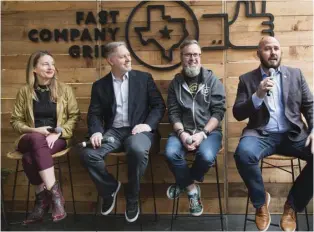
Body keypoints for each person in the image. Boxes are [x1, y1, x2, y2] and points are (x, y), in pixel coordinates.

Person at [233, 36, 313, 231]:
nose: (273, 52)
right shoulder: (247, 79)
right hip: (261, 134)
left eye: (276, 48)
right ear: (258, 53)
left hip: (292, 134)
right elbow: (237, 113)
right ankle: (260, 203)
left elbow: (310, 106)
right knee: (243, 154)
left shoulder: (295, 75)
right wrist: (257, 95)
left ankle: (292, 207)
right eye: (267, 49)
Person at [79, 41, 165, 223]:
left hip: (138, 131)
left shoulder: (144, 78)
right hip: (113, 133)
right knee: (88, 154)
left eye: (128, 55)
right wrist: (96, 132)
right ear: (111, 60)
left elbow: (158, 105)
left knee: (137, 149)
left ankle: (132, 196)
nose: (128, 59)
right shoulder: (100, 86)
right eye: (122, 56)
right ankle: (109, 188)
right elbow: (94, 113)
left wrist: (147, 125)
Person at [10, 51, 81, 225]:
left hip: (56, 138)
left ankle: (41, 202)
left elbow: (74, 116)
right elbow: (15, 120)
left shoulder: (65, 90)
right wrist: (34, 130)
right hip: (30, 137)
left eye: (52, 63)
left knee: (29, 158)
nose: (51, 67)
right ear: (34, 69)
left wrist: (59, 132)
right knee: (35, 139)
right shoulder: (25, 92)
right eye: (45, 64)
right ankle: (56, 196)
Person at [164, 40, 226, 216]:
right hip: (182, 131)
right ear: (181, 57)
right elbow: (173, 113)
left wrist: (203, 134)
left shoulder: (212, 80)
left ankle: (183, 182)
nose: (193, 58)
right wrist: (182, 134)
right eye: (188, 54)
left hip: (209, 132)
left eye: (196, 54)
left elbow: (219, 111)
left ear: (200, 56)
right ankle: (191, 189)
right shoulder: (175, 83)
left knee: (206, 156)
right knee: (170, 153)